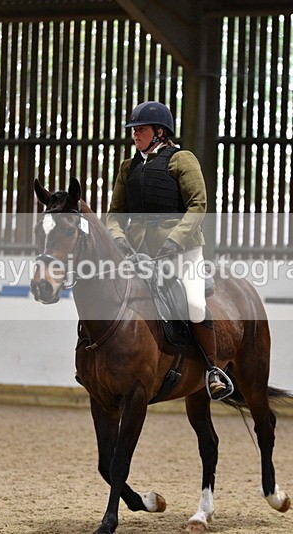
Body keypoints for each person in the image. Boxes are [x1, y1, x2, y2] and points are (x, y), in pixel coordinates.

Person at [106, 101, 231, 400]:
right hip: (137, 254)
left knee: (194, 304)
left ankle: (213, 370)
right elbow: (114, 213)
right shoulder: (129, 167)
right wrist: (120, 240)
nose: (136, 135)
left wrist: (173, 242)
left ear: (160, 132)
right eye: (134, 130)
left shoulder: (181, 160)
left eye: (142, 129)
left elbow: (198, 205)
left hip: (181, 251)